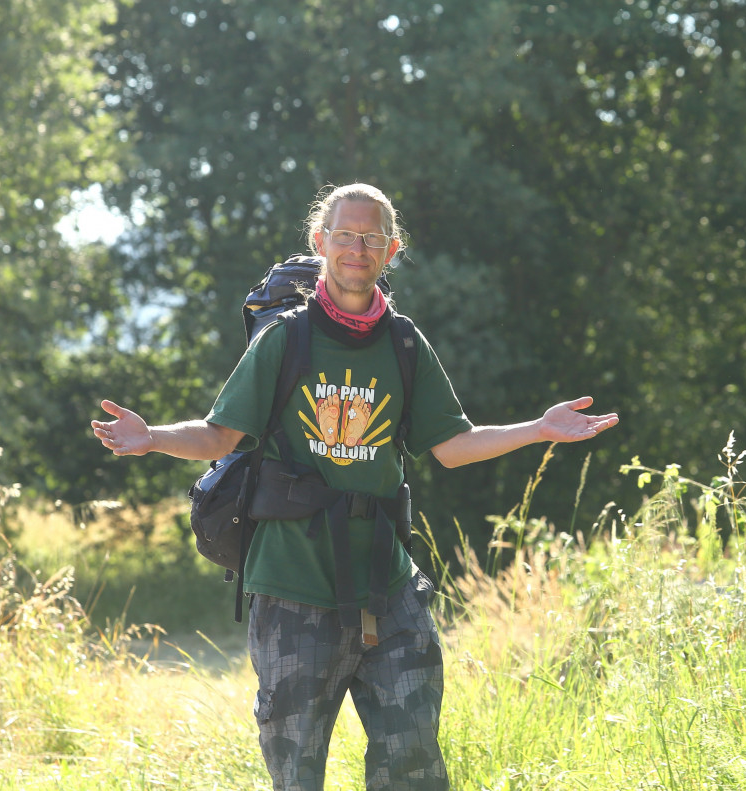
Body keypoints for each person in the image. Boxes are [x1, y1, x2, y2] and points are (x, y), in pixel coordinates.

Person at [90, 182, 619, 790]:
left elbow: (450, 446)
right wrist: (151, 435)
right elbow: (218, 437)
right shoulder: (284, 339)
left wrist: (538, 429)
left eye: (371, 238)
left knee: (414, 766)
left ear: (391, 250)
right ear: (321, 242)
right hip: (291, 589)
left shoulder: (405, 342)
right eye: (345, 235)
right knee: (297, 774)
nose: (357, 248)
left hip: (387, 590)